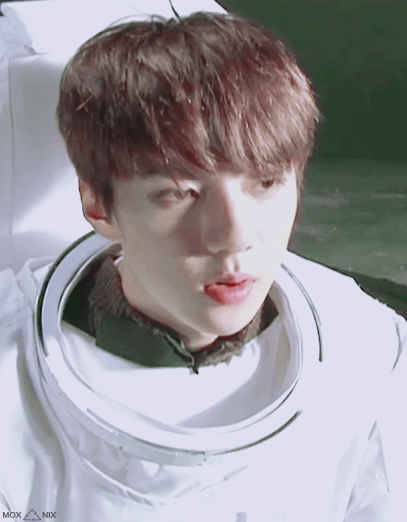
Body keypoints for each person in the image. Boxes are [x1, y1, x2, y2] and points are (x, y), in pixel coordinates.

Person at [0, 10, 406, 522]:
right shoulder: (11, 375)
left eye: (265, 183)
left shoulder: (368, 350)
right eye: (179, 193)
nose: (235, 236)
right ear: (99, 204)